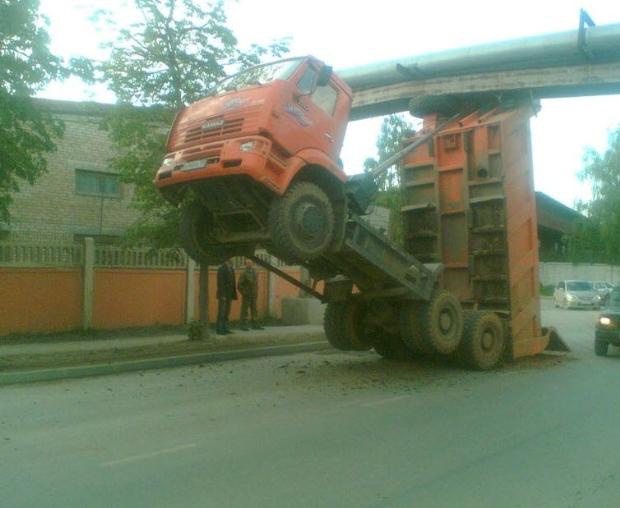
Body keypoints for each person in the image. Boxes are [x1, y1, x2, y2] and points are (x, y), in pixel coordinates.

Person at [238, 258, 263, 331]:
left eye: (251, 263)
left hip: (254, 294)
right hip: (247, 294)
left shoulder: (255, 272)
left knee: (254, 310)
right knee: (245, 310)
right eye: (248, 263)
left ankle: (255, 324)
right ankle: (243, 325)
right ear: (245, 264)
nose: (250, 264)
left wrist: (256, 291)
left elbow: (256, 283)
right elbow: (239, 285)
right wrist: (244, 293)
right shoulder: (243, 273)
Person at [216, 259, 237, 335]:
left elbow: (233, 282)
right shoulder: (221, 269)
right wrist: (222, 295)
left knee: (227, 312)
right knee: (221, 312)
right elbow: (220, 283)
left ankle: (226, 328)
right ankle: (219, 329)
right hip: (224, 295)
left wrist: (233, 294)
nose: (232, 260)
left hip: (229, 294)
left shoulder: (231, 268)